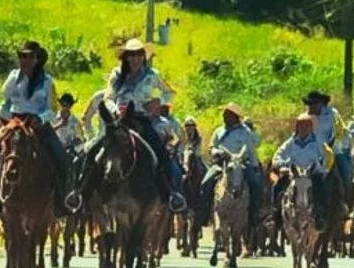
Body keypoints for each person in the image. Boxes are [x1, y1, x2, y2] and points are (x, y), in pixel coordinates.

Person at [77, 38, 184, 212]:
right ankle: (81, 192)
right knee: (93, 151)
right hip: (118, 121)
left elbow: (170, 93)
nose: (134, 58)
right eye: (131, 55)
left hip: (141, 119)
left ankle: (172, 194)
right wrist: (115, 109)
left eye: (138, 54)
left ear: (143, 56)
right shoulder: (116, 74)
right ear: (126, 57)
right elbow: (108, 97)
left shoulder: (152, 75)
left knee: (161, 154)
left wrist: (158, 101)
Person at [0, 40, 68, 228]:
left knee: (61, 157)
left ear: (37, 59)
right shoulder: (13, 77)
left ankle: (61, 201)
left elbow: (52, 109)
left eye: (29, 57)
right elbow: (6, 101)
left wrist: (40, 118)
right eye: (22, 56)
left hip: (38, 124)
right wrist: (1, 118)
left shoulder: (47, 81)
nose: (25, 60)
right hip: (14, 122)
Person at [196, 103, 263, 227]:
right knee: (205, 182)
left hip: (240, 163)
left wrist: (254, 166)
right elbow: (211, 147)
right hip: (221, 163)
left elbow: (251, 149)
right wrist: (216, 152)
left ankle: (254, 214)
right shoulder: (219, 131)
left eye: (227, 114)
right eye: (224, 114)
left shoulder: (245, 132)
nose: (224, 116)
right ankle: (203, 215)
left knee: (255, 183)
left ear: (234, 116)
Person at [271, 113, 332, 226]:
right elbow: (277, 155)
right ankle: (275, 215)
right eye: (301, 125)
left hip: (312, 174)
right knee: (277, 187)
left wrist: (319, 167)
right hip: (293, 173)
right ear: (297, 127)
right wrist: (282, 165)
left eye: (307, 125)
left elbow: (326, 157)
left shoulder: (318, 142)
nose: (304, 128)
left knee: (323, 190)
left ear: (311, 127)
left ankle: (320, 216)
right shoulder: (291, 141)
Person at [144, 89, 184, 202]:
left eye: (158, 104)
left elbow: (175, 138)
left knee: (176, 172)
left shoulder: (164, 122)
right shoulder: (142, 122)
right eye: (154, 104)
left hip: (162, 154)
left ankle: (177, 199)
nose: (158, 107)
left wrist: (171, 146)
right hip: (144, 154)